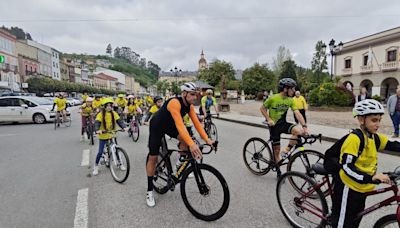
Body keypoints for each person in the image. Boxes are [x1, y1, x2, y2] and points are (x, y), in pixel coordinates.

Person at [331, 99, 400, 227]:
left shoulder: (374, 137)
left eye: (379, 120)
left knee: (355, 220)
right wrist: (371, 177)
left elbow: (393, 145)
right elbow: (347, 167)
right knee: (343, 224)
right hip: (349, 187)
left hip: (362, 188)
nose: (378, 124)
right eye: (374, 120)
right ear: (362, 120)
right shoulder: (354, 139)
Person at [145, 82, 213, 207]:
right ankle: (149, 190)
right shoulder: (174, 103)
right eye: (192, 94)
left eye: (196, 95)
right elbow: (180, 125)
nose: (195, 98)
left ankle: (179, 165)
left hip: (170, 126)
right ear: (184, 94)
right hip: (157, 126)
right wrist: (192, 144)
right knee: (153, 157)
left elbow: (197, 124)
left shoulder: (190, 106)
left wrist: (208, 140)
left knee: (186, 141)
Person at [260, 78, 309, 171]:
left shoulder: (290, 100)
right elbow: (262, 108)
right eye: (292, 88)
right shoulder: (273, 98)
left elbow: (297, 113)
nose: (294, 91)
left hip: (283, 123)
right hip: (274, 126)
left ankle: (286, 150)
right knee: (276, 150)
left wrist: (304, 126)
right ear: (285, 89)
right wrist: (269, 119)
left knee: (299, 131)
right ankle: (278, 170)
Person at [92, 98, 128, 176]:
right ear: (104, 107)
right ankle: (96, 166)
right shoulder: (100, 114)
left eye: (110, 105)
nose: (109, 107)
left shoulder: (114, 113)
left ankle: (120, 163)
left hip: (112, 134)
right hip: (103, 135)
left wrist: (124, 127)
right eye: (107, 106)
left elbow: (119, 121)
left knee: (116, 149)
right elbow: (97, 122)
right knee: (100, 152)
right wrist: (97, 130)